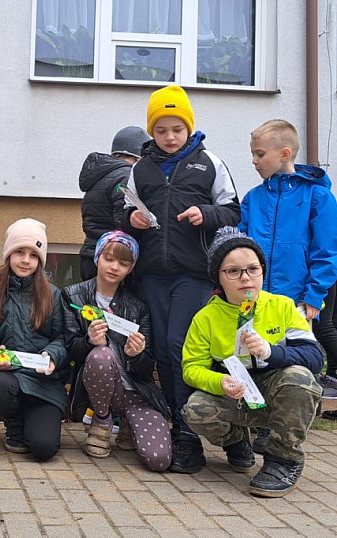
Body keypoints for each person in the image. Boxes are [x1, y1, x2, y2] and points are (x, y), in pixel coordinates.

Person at [121, 84, 240, 474]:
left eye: (177, 129)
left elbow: (232, 211)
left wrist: (205, 214)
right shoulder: (141, 168)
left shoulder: (209, 163)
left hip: (193, 274)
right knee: (160, 353)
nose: (169, 137)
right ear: (151, 132)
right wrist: (132, 221)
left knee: (178, 347)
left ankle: (193, 435)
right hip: (153, 274)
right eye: (161, 130)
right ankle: (181, 431)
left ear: (189, 127)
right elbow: (126, 212)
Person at [182, 227, 323, 498]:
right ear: (218, 277)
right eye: (233, 271)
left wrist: (272, 352)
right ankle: (236, 441)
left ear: (262, 270)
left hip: (276, 391)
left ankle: (284, 460)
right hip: (235, 391)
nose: (245, 278)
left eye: (253, 269)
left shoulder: (283, 306)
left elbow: (314, 356)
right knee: (196, 409)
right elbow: (191, 368)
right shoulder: (205, 317)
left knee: (300, 379)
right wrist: (219, 381)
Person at [238, 119, 337, 445]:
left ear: (283, 153)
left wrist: (313, 296)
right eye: (252, 154)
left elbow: (326, 252)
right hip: (255, 299)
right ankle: (255, 423)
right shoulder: (253, 199)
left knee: (291, 361)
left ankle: (280, 433)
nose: (253, 161)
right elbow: (241, 248)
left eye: (259, 154)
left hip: (295, 299)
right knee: (256, 358)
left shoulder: (318, 199)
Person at [62, 231, 171, 470]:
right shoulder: (73, 296)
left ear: (131, 268)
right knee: (101, 355)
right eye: (109, 258)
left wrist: (137, 354)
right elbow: (71, 352)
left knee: (159, 459)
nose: (114, 267)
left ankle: (127, 426)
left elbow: (145, 369)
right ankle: (102, 421)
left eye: (124, 263)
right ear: (97, 257)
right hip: (97, 388)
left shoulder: (137, 306)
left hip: (134, 391)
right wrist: (89, 340)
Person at [0, 219, 68, 461]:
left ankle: (33, 421)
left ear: (40, 260)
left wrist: (53, 355)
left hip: (43, 383)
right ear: (9, 254)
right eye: (19, 252)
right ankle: (14, 422)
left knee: (44, 449)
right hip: (7, 376)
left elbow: (63, 338)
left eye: (34, 255)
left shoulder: (52, 295)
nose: (25, 260)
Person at [79, 126, 151, 280]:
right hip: (113, 261)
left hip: (92, 255)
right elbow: (124, 225)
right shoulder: (125, 176)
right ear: (138, 157)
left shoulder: (100, 175)